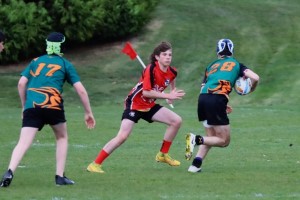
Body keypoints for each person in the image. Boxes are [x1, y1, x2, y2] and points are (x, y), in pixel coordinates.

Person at [0, 32, 96, 187]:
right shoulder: (65, 64)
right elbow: (81, 90)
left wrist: (24, 106)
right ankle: (59, 176)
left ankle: (10, 171)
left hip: (33, 106)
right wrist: (88, 112)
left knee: (23, 142)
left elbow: (21, 84)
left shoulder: (35, 61)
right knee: (62, 137)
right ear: (62, 46)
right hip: (53, 106)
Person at [87, 41, 185, 173]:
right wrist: (168, 95)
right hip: (135, 104)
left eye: (170, 55)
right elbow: (146, 92)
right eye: (164, 54)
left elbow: (172, 78)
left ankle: (162, 155)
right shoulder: (150, 69)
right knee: (122, 136)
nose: (168, 57)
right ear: (157, 57)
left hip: (149, 105)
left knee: (176, 121)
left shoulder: (172, 71)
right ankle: (95, 164)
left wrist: (172, 92)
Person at [185, 39, 259, 173]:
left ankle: (195, 166)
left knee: (211, 136)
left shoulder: (211, 66)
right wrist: (251, 88)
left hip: (203, 99)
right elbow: (255, 77)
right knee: (224, 141)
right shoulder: (237, 64)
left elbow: (204, 87)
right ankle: (195, 139)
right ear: (232, 51)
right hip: (217, 100)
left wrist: (223, 103)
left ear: (217, 51)